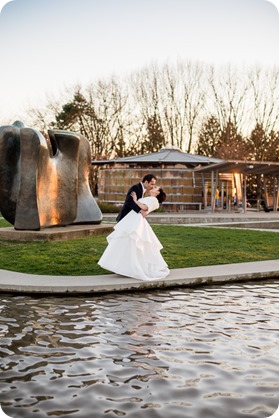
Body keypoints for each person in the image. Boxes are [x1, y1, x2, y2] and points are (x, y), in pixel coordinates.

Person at [98, 186, 170, 281]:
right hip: (133, 217)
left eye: (156, 188)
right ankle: (124, 266)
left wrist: (135, 200)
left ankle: (133, 266)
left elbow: (145, 208)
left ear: (158, 193)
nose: (154, 187)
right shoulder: (149, 197)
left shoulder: (154, 201)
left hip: (137, 220)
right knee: (126, 241)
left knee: (133, 241)